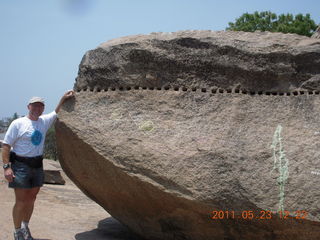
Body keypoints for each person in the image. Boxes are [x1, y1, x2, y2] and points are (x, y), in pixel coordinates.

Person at [2, 90, 74, 240]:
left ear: (42, 108)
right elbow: (6, 145)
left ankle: (25, 226)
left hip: (37, 165)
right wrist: (6, 167)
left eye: (40, 106)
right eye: (34, 106)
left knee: (32, 198)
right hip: (20, 165)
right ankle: (17, 232)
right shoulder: (18, 123)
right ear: (28, 106)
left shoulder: (44, 121)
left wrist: (63, 99)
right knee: (21, 201)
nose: (37, 109)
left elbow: (55, 112)